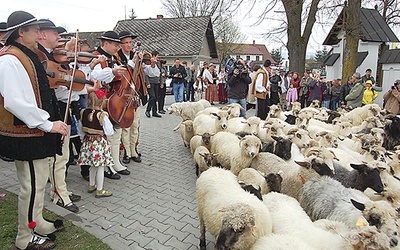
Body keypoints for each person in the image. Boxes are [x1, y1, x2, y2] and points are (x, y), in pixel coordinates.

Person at [0, 10, 68, 249]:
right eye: (35, 30)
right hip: (25, 134)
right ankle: (24, 237)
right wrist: (48, 124)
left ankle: (36, 222)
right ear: (21, 32)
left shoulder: (24, 55)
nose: (40, 33)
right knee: (30, 186)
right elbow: (15, 101)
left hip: (34, 132)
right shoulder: (10, 59)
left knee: (39, 183)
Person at [37, 19, 94, 213]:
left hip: (63, 108)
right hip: (54, 110)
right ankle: (59, 193)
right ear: (43, 34)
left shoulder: (54, 56)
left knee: (63, 155)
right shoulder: (41, 55)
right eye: (55, 34)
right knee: (58, 156)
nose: (59, 38)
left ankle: (60, 190)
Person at [91, 30, 131, 179]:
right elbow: (94, 78)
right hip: (100, 99)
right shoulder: (96, 57)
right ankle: (107, 167)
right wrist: (113, 72)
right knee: (106, 134)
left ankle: (115, 162)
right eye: (115, 45)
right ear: (106, 44)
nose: (117, 48)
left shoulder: (113, 58)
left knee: (116, 132)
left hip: (112, 98)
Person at [115, 30, 144, 165]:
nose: (129, 45)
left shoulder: (135, 55)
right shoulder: (117, 57)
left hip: (135, 94)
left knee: (135, 124)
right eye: (126, 43)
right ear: (120, 44)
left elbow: (140, 76)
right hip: (123, 95)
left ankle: (133, 150)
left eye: (130, 42)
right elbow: (121, 74)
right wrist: (132, 63)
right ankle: (126, 151)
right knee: (126, 125)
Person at [79, 90, 113, 198]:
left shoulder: (83, 112)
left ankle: (91, 185)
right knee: (100, 166)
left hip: (88, 141)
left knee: (92, 165)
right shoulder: (102, 115)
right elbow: (109, 131)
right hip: (99, 143)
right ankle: (100, 189)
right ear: (102, 101)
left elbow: (80, 129)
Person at [144, 51, 161, 118]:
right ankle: (147, 110)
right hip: (150, 82)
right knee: (152, 96)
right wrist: (147, 83)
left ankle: (154, 112)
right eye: (157, 56)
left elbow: (159, 72)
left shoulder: (158, 63)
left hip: (156, 82)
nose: (157, 57)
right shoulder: (147, 63)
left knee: (156, 97)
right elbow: (146, 74)